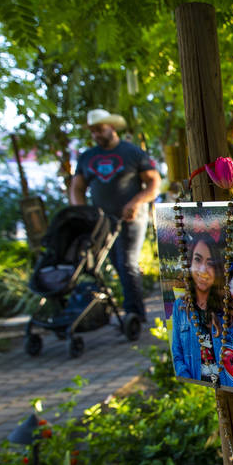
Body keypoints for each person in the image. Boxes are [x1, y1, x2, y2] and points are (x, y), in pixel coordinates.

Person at [69, 109, 161, 322]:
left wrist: (136, 202)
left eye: (99, 130)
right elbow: (77, 188)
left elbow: (154, 182)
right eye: (92, 131)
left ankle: (133, 314)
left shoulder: (132, 153)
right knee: (117, 264)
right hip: (102, 222)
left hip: (131, 218)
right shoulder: (87, 157)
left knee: (127, 262)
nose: (96, 135)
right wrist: (84, 213)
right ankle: (133, 310)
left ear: (111, 127)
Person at [171, 234, 233, 392]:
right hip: (199, 394)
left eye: (210, 263)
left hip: (230, 396)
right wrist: (190, 386)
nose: (203, 270)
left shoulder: (229, 311)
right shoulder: (180, 307)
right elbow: (177, 355)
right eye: (197, 260)